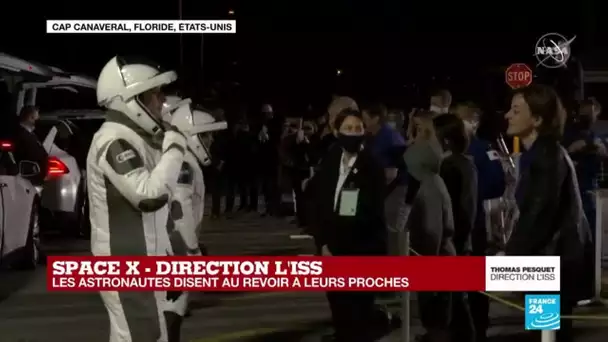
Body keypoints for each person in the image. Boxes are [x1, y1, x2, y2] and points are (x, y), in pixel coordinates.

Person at [87, 56, 187, 342]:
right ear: (131, 100)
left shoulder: (132, 137)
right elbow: (148, 197)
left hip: (139, 261)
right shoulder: (113, 140)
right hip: (126, 265)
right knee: (146, 336)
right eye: (154, 94)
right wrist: (176, 148)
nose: (161, 102)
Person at [504, 84, 593, 342]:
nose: (507, 115)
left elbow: (538, 216)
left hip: (550, 268)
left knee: (546, 335)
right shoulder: (545, 153)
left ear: (538, 119)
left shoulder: (546, 156)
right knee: (546, 334)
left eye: (516, 110)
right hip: (552, 264)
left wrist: (509, 257)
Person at [311, 108, 386, 342]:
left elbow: (370, 214)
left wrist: (338, 248)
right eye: (348, 128)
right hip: (330, 251)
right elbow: (320, 205)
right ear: (336, 132)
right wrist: (323, 244)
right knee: (338, 309)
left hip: (360, 252)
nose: (354, 133)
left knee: (359, 314)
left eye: (358, 128)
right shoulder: (331, 159)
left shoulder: (371, 166)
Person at [452, 101, 506, 342]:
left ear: (474, 121)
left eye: (462, 119)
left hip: (475, 226)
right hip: (453, 227)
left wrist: (468, 192)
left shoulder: (484, 149)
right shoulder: (450, 149)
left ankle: (479, 329)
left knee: (475, 285)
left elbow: (497, 184)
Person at [402, 112, 456, 342]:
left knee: (437, 318)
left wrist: (426, 272)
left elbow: (432, 233)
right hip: (437, 262)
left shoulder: (429, 188)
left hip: (436, 266)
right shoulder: (432, 182)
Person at [432, 113, 477, 342]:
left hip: (453, 240)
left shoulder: (449, 167)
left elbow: (448, 209)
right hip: (464, 238)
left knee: (454, 300)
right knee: (458, 298)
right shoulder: (466, 162)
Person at [361, 102, 407, 257]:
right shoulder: (375, 137)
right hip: (385, 190)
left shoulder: (389, 138)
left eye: (365, 118)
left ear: (375, 118)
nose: (363, 122)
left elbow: (394, 171)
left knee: (392, 229)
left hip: (394, 190)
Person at [256, 104, 282, 216]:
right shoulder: (260, 125)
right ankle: (268, 208)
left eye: (268, 113)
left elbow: (276, 141)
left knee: (274, 185)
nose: (267, 115)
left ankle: (275, 208)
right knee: (267, 186)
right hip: (264, 160)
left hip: (273, 159)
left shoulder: (275, 126)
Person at [12, 105, 48, 185]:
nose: (38, 120)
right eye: (36, 117)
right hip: (27, 180)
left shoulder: (30, 134)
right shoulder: (21, 135)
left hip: (33, 178)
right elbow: (33, 155)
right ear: (30, 118)